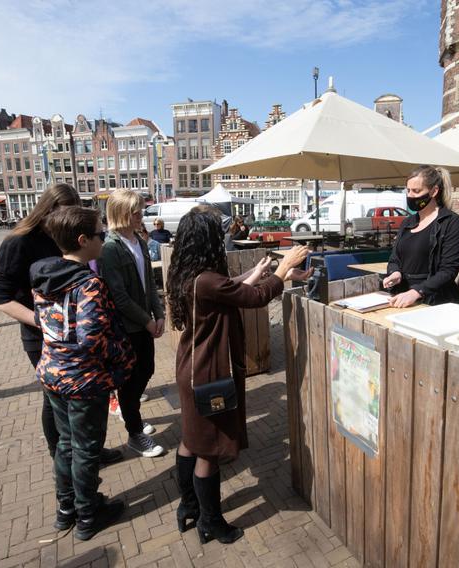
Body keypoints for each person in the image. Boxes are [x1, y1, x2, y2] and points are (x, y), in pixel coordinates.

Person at [166, 206, 311, 544]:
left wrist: (263, 273)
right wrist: (284, 267)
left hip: (191, 369)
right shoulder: (206, 279)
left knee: (191, 440)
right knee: (210, 451)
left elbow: (229, 290)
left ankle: (188, 507)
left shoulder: (190, 274)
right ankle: (211, 522)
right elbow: (254, 298)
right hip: (209, 375)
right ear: (207, 242)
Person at [0, 184, 123, 464]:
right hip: (43, 336)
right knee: (54, 402)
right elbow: (1, 298)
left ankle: (89, 451)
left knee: (86, 398)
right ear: (48, 209)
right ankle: (62, 458)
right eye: (64, 212)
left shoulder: (64, 238)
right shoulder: (19, 242)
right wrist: (45, 322)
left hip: (78, 334)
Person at [31, 206, 134, 540]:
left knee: (65, 444)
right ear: (83, 240)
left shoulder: (44, 278)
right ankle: (88, 514)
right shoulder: (90, 284)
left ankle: (66, 510)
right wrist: (123, 358)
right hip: (83, 381)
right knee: (86, 448)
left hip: (52, 374)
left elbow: (47, 324)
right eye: (100, 234)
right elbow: (92, 338)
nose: (104, 239)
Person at [97, 189, 165, 458]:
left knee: (145, 370)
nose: (141, 216)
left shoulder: (138, 240)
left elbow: (149, 283)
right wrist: (147, 321)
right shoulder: (111, 248)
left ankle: (131, 414)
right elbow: (119, 295)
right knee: (130, 379)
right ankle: (135, 432)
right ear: (123, 213)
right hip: (128, 327)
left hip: (144, 323)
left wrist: (159, 314)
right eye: (136, 211)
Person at [383, 165, 459, 308]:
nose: (410, 195)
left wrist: (417, 291)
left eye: (416, 191)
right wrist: (395, 272)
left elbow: (449, 270)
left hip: (435, 300)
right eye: (408, 190)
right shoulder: (407, 222)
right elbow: (395, 257)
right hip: (402, 296)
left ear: (434, 191)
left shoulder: (450, 222)